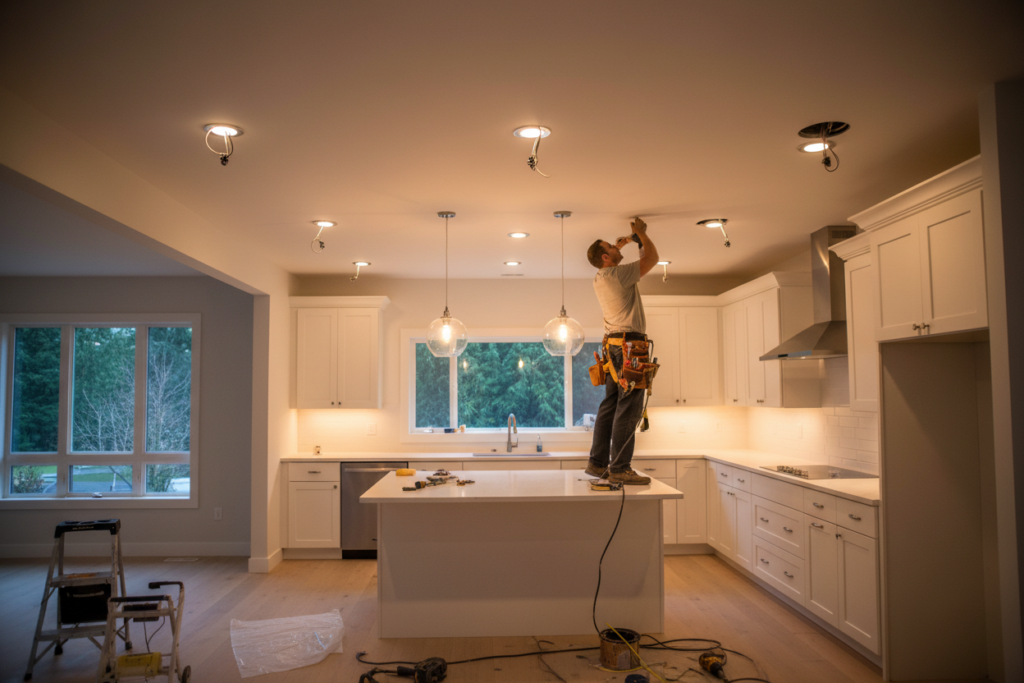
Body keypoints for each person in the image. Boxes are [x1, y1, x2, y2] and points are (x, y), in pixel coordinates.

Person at [585, 217, 660, 485]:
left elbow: (624, 259)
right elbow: (652, 258)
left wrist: (628, 242)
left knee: (611, 404)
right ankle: (620, 467)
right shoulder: (618, 274)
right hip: (631, 346)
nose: (617, 248)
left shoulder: (601, 277)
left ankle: (597, 463)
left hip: (614, 346)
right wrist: (640, 235)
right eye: (612, 248)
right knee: (629, 406)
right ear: (606, 257)